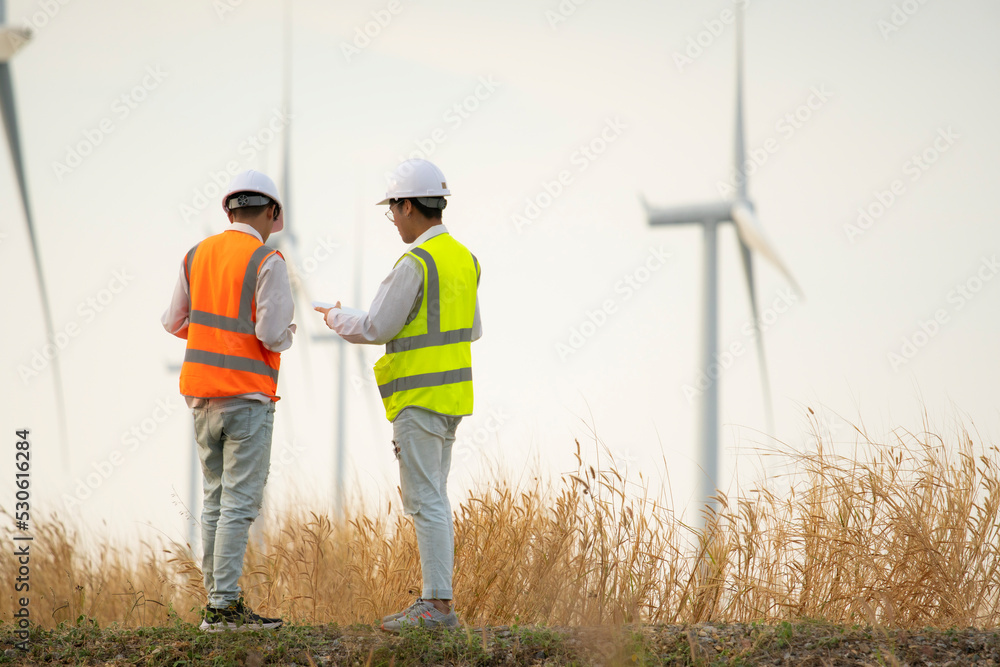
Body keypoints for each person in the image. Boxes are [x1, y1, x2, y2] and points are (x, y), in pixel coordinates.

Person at [315, 158, 481, 632]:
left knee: (424, 500)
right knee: (434, 497)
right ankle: (436, 602)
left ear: (408, 206)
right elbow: (473, 328)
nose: (394, 221)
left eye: (393, 211)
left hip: (418, 399)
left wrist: (334, 317)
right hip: (453, 400)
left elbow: (375, 326)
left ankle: (436, 607)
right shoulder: (466, 260)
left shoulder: (416, 262)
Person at [162, 169, 295, 632]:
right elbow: (271, 334)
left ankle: (217, 602)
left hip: (201, 397)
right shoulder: (267, 260)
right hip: (247, 395)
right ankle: (223, 607)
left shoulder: (195, 255)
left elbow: (173, 321)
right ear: (274, 212)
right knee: (239, 502)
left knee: (214, 499)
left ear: (227, 209)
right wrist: (290, 333)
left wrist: (207, 335)